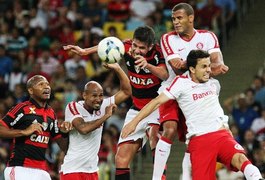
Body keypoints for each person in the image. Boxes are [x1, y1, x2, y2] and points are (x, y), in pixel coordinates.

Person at [121, 49, 264, 180]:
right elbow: (156, 102)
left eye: (209, 66)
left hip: (222, 135)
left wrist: (226, 128)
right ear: (192, 69)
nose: (209, 70)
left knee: (242, 160)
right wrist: (134, 123)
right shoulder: (180, 83)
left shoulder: (214, 84)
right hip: (201, 141)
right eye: (204, 67)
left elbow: (214, 109)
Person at [63, 25, 169, 179]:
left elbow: (165, 75)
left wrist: (148, 65)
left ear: (151, 46)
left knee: (154, 137)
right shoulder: (126, 46)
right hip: (136, 109)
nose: (137, 50)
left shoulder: (158, 54)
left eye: (142, 48)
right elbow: (109, 45)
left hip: (156, 108)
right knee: (121, 158)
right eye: (135, 45)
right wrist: (85, 51)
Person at [154, 2, 229, 180]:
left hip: (198, 93)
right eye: (173, 19)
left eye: (179, 18)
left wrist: (208, 66)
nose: (175, 22)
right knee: (169, 130)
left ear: (191, 18)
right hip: (173, 88)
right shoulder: (168, 39)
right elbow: (177, 67)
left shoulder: (209, 36)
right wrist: (205, 64)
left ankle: (186, 177)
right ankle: (157, 178)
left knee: (194, 139)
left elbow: (218, 63)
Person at [59, 62, 131, 180]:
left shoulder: (103, 105)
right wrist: (106, 116)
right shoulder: (73, 107)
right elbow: (83, 129)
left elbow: (126, 92)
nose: (98, 99)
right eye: (94, 95)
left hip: (92, 171)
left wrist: (118, 69)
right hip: (73, 170)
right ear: (84, 95)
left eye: (101, 95)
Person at [0, 75, 72, 180]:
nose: (46, 87)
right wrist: (24, 132)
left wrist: (65, 133)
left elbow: (63, 146)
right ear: (31, 90)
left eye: (47, 84)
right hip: (20, 168)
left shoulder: (51, 113)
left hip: (42, 171)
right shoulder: (22, 108)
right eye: (41, 84)